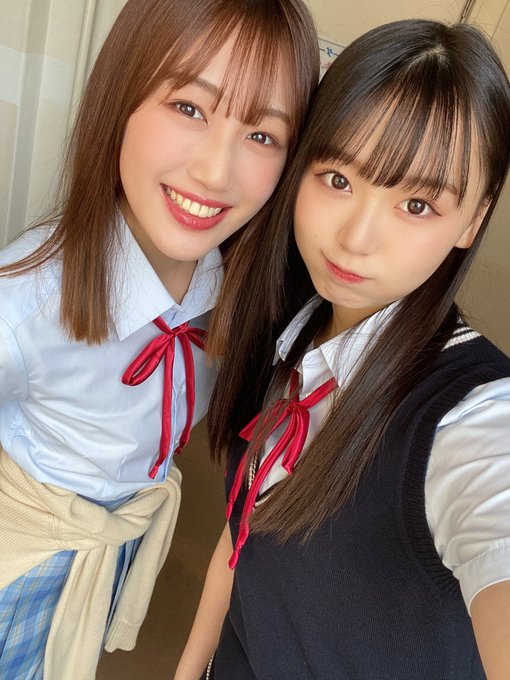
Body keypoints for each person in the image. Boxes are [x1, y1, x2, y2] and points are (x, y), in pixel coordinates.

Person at [177, 18, 510, 680]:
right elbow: (241, 538)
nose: (356, 238)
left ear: (473, 219)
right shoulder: (292, 334)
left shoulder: (472, 419)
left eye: (417, 205)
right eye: (337, 179)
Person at [0, 0, 319, 678]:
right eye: (189, 108)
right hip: (17, 565)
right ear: (121, 97)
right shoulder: (25, 303)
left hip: (111, 550)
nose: (215, 172)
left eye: (262, 135)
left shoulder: (235, 293)